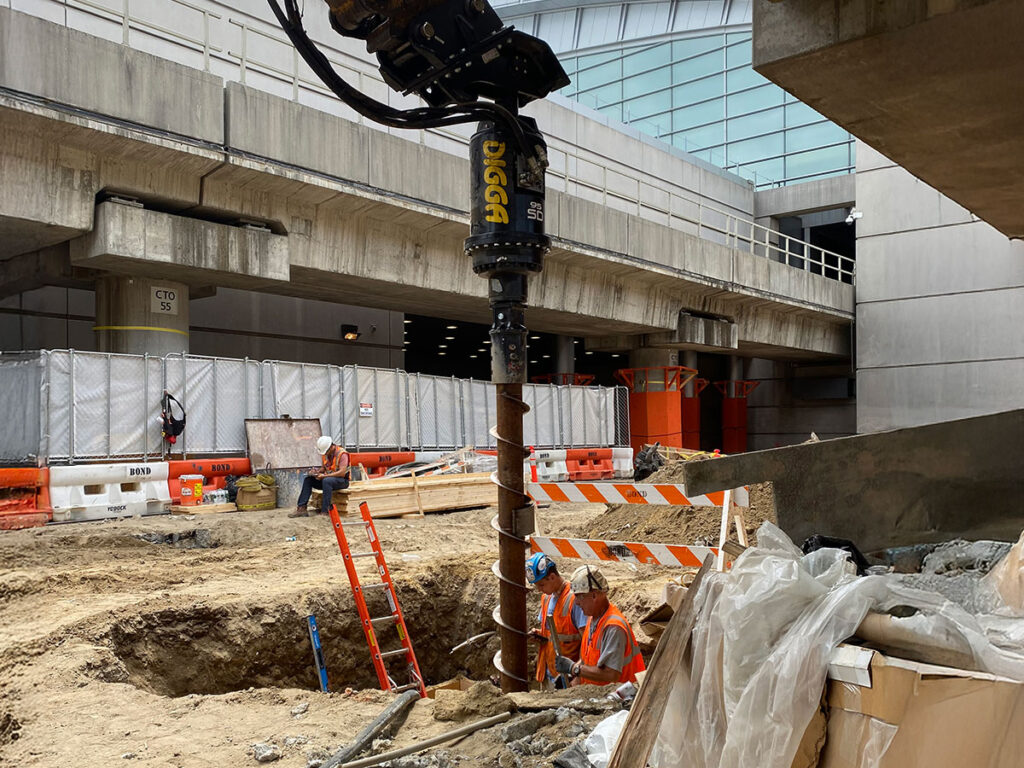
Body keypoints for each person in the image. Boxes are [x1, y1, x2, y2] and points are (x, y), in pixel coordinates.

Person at [554, 564, 645, 686]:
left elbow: (611, 674)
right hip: (600, 697)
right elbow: (589, 659)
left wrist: (574, 669)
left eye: (579, 596)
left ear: (594, 595)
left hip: (623, 698)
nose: (576, 602)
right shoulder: (593, 618)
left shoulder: (613, 627)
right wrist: (574, 678)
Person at [525, 552, 587, 688]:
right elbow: (551, 633)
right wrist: (539, 635)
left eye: (541, 585)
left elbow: (588, 641)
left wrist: (579, 675)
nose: (539, 590)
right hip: (550, 673)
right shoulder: (546, 598)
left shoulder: (574, 600)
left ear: (552, 577)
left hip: (569, 677)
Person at [290, 435, 350, 517]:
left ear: (331, 447)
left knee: (327, 481)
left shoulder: (342, 454)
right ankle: (302, 508)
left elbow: (342, 473)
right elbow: (324, 467)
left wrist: (324, 476)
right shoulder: (326, 454)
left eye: (326, 452)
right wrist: (317, 472)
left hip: (342, 481)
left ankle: (325, 511)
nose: (325, 454)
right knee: (308, 480)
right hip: (328, 480)